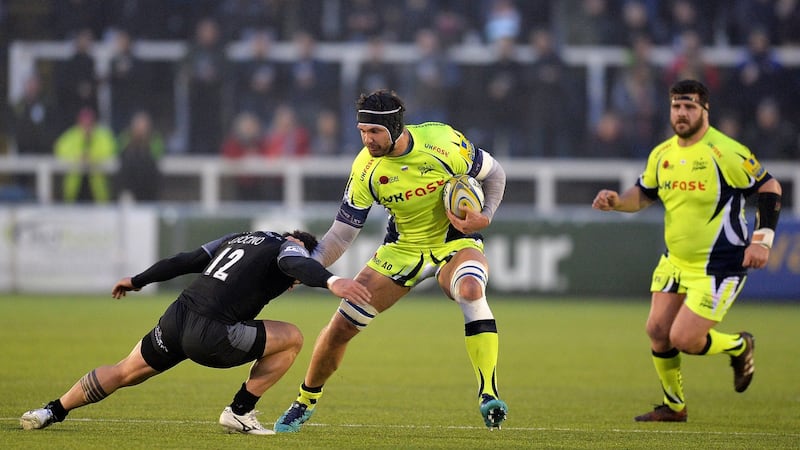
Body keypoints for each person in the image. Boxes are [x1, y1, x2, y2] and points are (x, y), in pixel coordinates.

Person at [274, 89, 509, 432]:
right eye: (362, 132)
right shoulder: (365, 168)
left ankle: (488, 395)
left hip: (454, 242)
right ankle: (304, 401)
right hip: (402, 250)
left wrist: (485, 216)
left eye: (374, 132)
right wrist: (308, 268)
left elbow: (496, 173)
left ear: (396, 127)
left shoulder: (443, 141)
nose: (367, 139)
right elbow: (340, 235)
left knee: (471, 289)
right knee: (340, 328)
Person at [20, 229, 371, 435]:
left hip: (177, 318)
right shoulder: (290, 246)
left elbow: (186, 260)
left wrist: (138, 280)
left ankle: (50, 411)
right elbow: (294, 261)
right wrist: (329, 279)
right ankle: (239, 410)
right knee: (292, 338)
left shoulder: (240, 237)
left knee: (125, 370)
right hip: (213, 334)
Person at [591, 79, 783, 422]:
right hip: (676, 260)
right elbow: (644, 194)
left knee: (684, 338)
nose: (681, 113)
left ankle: (740, 346)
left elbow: (769, 186)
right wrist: (617, 202)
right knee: (657, 331)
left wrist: (762, 239)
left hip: (720, 265)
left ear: (705, 110)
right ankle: (675, 406)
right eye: (676, 106)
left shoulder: (725, 151)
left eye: (689, 106)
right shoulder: (662, 154)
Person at [54, 107, 117, 203]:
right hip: (74, 191)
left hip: (98, 193)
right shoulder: (72, 135)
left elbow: (110, 150)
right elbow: (59, 149)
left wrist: (92, 157)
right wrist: (78, 156)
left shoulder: (103, 135)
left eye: (89, 124)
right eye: (84, 123)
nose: (87, 127)